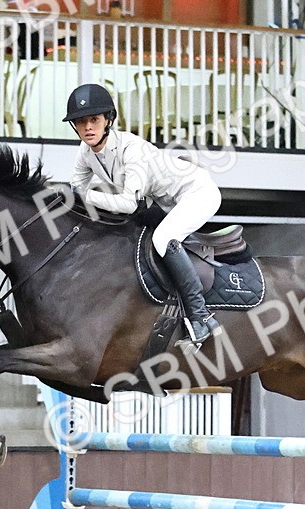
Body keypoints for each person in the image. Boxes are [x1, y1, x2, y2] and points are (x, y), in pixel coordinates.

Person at [64, 83, 222, 347]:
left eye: (94, 120)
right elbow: (75, 190)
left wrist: (86, 196)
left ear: (108, 120)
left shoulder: (132, 149)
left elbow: (126, 203)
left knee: (163, 239)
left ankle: (200, 315)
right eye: (81, 122)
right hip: (165, 203)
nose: (88, 127)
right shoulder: (86, 151)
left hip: (198, 193)